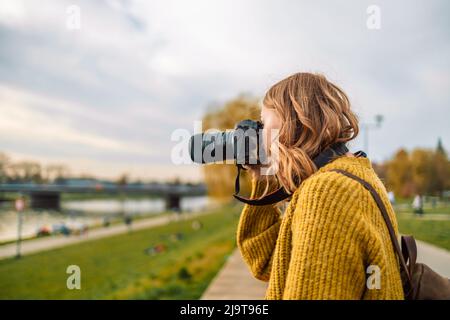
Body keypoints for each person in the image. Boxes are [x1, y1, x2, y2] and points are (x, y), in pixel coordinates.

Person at [237, 72, 403, 299]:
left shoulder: (327, 194)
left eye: (264, 124)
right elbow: (269, 263)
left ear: (293, 125)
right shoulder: (353, 175)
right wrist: (263, 176)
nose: (259, 136)